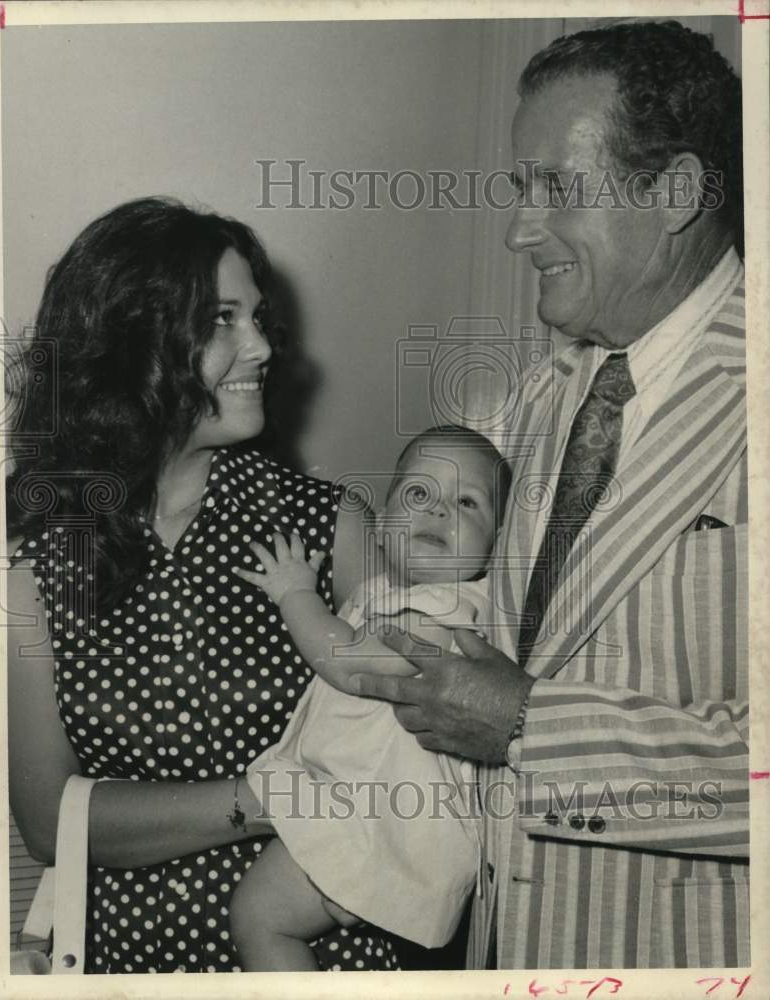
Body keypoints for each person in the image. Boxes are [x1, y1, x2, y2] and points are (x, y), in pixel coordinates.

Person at [352, 21, 748, 969]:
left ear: (675, 193)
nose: (518, 230)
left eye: (556, 189)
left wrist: (532, 728)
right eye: (519, 189)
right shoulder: (545, 393)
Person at [5, 196, 404, 973]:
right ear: (131, 343)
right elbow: (50, 823)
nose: (262, 346)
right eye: (222, 319)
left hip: (321, 959)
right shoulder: (40, 564)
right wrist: (270, 799)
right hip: (128, 967)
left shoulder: (332, 526)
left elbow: (401, 759)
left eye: (257, 317)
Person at [225, 425, 511, 970]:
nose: (439, 509)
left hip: (390, 827)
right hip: (364, 810)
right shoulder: (379, 595)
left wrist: (296, 595)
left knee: (258, 916)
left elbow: (351, 665)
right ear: (379, 528)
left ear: (495, 545)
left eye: (467, 502)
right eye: (419, 492)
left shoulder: (452, 610)